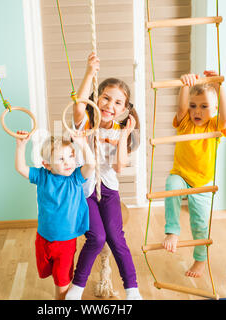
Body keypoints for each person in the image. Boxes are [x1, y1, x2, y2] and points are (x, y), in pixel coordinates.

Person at [65, 52, 142, 300]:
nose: (110, 105)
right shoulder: (86, 121)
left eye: (118, 103)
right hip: (84, 188)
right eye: (106, 98)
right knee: (97, 238)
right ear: (96, 99)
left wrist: (125, 134)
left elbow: (119, 167)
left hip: (107, 188)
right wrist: (89, 72)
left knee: (116, 237)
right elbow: (78, 104)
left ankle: (132, 290)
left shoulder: (122, 130)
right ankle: (76, 289)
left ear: (124, 109)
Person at [162, 71, 226, 278]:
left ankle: (200, 260)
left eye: (204, 106)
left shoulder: (215, 126)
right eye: (193, 106)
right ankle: (172, 230)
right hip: (181, 174)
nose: (197, 111)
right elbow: (181, 108)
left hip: (202, 181)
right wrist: (185, 85)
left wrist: (219, 85)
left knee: (200, 224)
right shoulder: (185, 124)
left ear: (214, 109)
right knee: (171, 185)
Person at [14, 130, 95, 299]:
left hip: (65, 242)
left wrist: (83, 145)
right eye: (61, 158)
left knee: (62, 283)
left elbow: (91, 165)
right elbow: (21, 168)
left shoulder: (75, 178)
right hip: (43, 238)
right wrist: (21, 146)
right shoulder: (42, 176)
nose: (68, 162)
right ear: (47, 165)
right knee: (48, 272)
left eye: (71, 156)